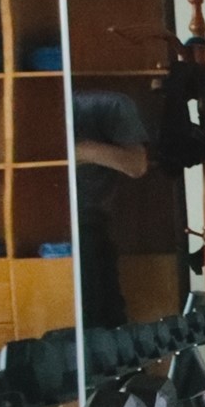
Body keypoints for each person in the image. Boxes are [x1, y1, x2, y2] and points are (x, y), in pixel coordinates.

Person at [73, 88, 153, 328]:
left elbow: (137, 165)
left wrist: (81, 150)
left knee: (104, 318)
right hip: (49, 225)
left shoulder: (108, 105)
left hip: (89, 223)